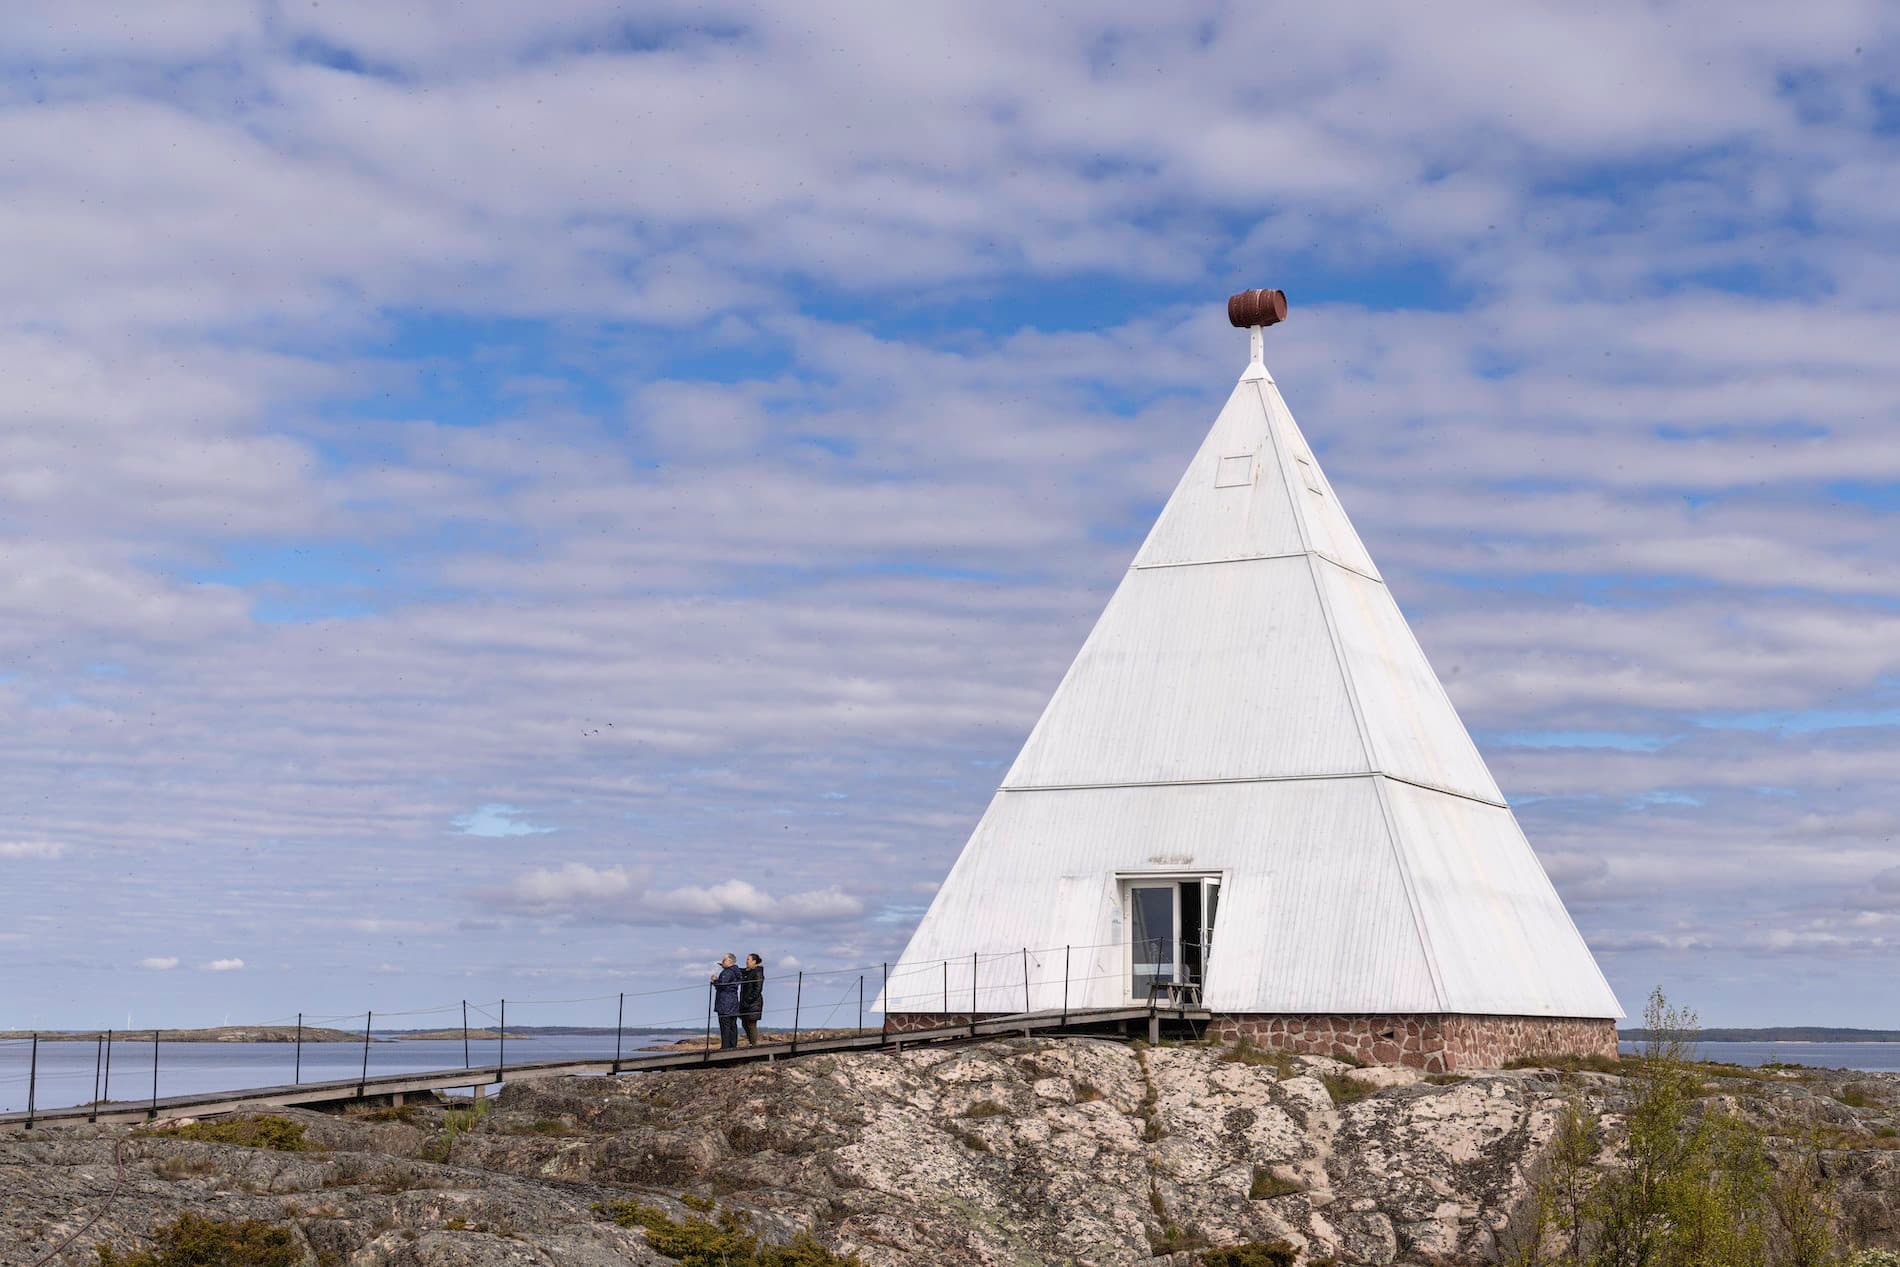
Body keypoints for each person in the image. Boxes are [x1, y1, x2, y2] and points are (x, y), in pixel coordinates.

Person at [710, 953, 743, 1049]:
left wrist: (714, 981)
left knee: (725, 1026)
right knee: (733, 1025)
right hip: (733, 1001)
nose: (722, 961)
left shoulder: (727, 972)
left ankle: (725, 1047)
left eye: (724, 960)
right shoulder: (735, 971)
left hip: (725, 1002)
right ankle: (733, 1046)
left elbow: (722, 985)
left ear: (730, 961)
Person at [738, 953, 765, 1046]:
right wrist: (731, 967)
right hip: (746, 1002)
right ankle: (751, 1043)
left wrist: (748, 1000)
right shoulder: (749, 971)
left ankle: (754, 1045)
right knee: (745, 1023)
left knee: (751, 1024)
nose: (746, 961)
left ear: (754, 961)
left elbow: (758, 989)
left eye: (748, 960)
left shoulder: (757, 972)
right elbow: (741, 970)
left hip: (753, 1003)